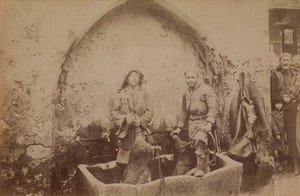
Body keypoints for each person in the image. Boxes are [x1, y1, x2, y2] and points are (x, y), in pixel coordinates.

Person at [111, 70, 159, 183]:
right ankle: (125, 186)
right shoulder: (120, 94)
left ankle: (145, 185)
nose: (134, 78)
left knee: (144, 159)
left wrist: (141, 120)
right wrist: (125, 119)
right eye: (131, 76)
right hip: (126, 132)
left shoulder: (145, 93)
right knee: (124, 161)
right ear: (127, 78)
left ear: (139, 79)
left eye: (136, 76)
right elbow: (114, 112)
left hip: (141, 131)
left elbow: (150, 110)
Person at [171, 70, 218, 177]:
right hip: (192, 124)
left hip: (204, 122)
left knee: (200, 140)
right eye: (188, 78)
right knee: (199, 149)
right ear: (185, 79)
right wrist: (178, 128)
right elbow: (184, 112)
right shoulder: (186, 93)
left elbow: (213, 108)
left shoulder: (206, 90)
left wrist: (209, 125)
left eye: (192, 77)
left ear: (197, 78)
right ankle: (207, 171)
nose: (190, 80)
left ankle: (200, 169)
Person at [271, 97, 287, 172]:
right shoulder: (273, 113)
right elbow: (273, 124)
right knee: (279, 149)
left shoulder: (285, 111)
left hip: (285, 133)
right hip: (278, 134)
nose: (278, 105)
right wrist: (277, 133)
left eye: (280, 104)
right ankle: (281, 163)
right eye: (276, 104)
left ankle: (288, 163)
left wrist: (287, 133)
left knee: (286, 148)